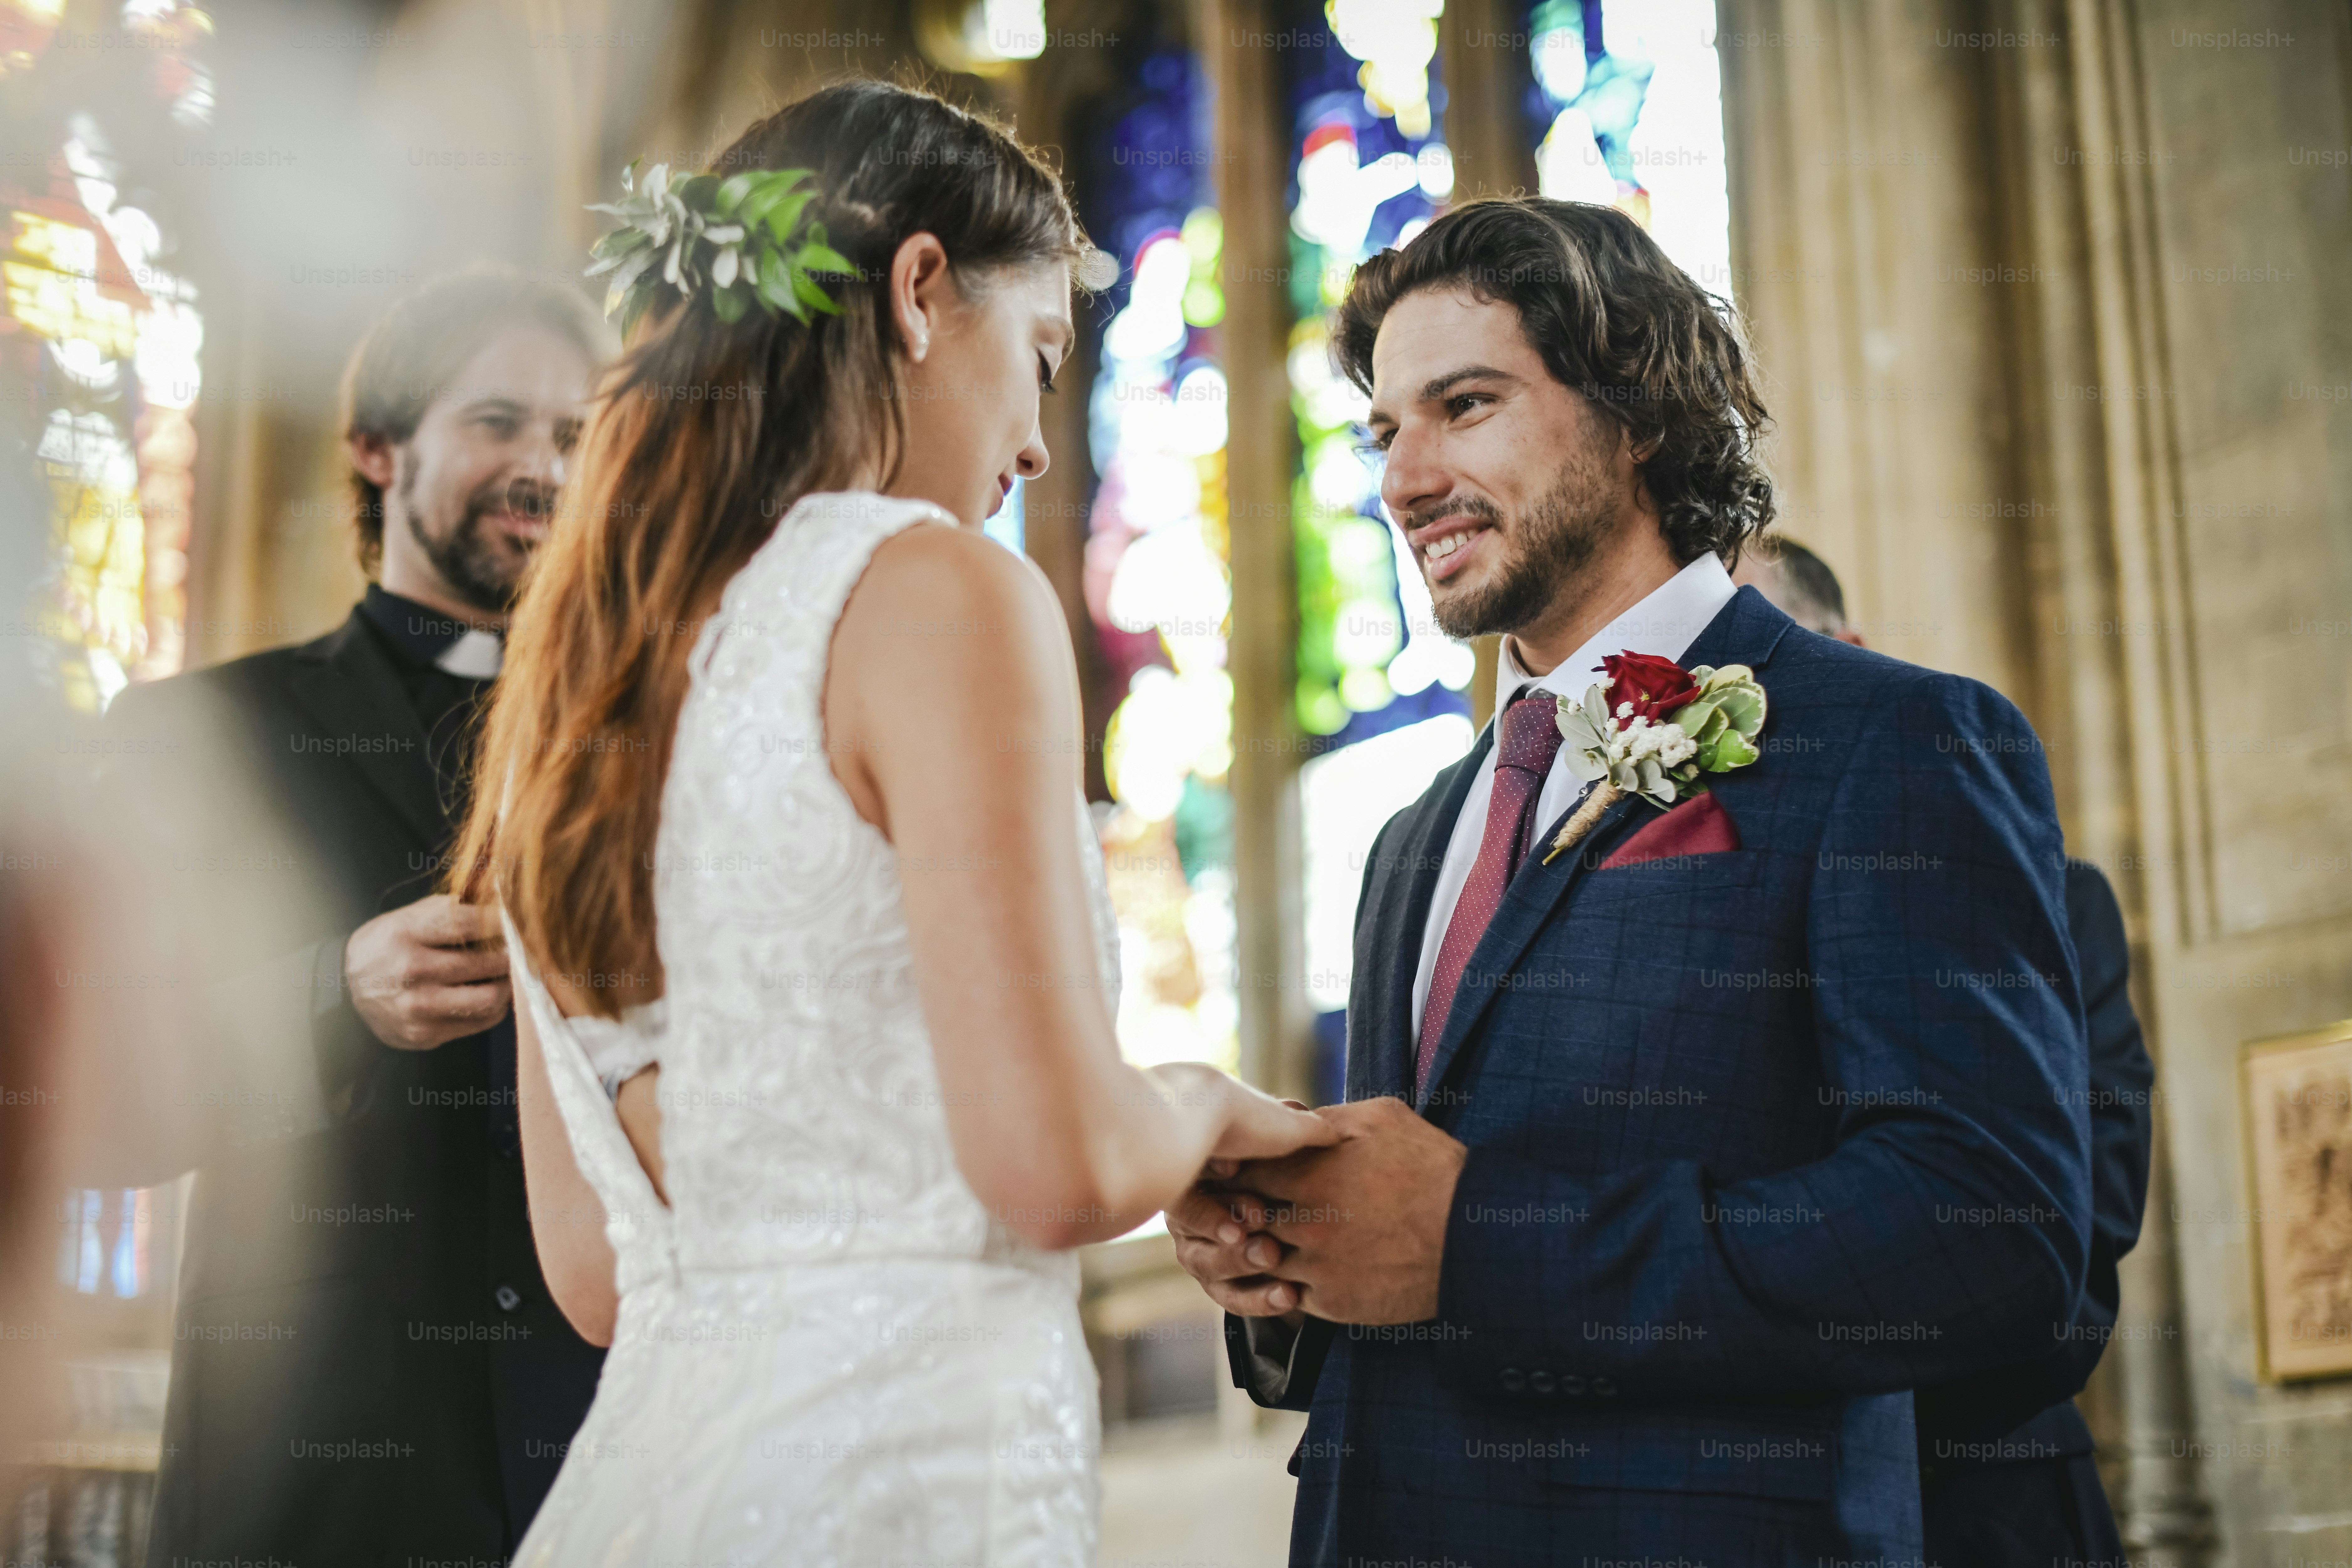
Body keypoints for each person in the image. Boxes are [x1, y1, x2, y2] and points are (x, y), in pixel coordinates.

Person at [446, 81, 1332, 1565]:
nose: (1037, 446)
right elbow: (1056, 1167)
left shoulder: (570, 690)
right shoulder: (933, 590)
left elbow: (598, 1273)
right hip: (895, 1497)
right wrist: (1204, 1105)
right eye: (1040, 357)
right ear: (920, 292)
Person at [1166, 197, 2093, 1565]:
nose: (1402, 479)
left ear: (1635, 411)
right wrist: (1286, 1252)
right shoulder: (1413, 838)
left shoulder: (1887, 741)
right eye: (1382, 434)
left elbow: (1987, 1232)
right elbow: (1408, 1241)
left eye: (1463, 406)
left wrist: (1478, 1243)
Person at [103, 269, 612, 1564]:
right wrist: (327, 993)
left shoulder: (649, 753)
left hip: (607, 1471)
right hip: (313, 1476)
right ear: (377, 447)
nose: (543, 468)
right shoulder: (199, 736)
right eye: (497, 421)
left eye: (573, 434)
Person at [1739, 539, 2156, 1566]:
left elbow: (2083, 1229)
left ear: (1847, 654)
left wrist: (1848, 1425)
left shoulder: (2053, 901)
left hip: (1986, 1500)